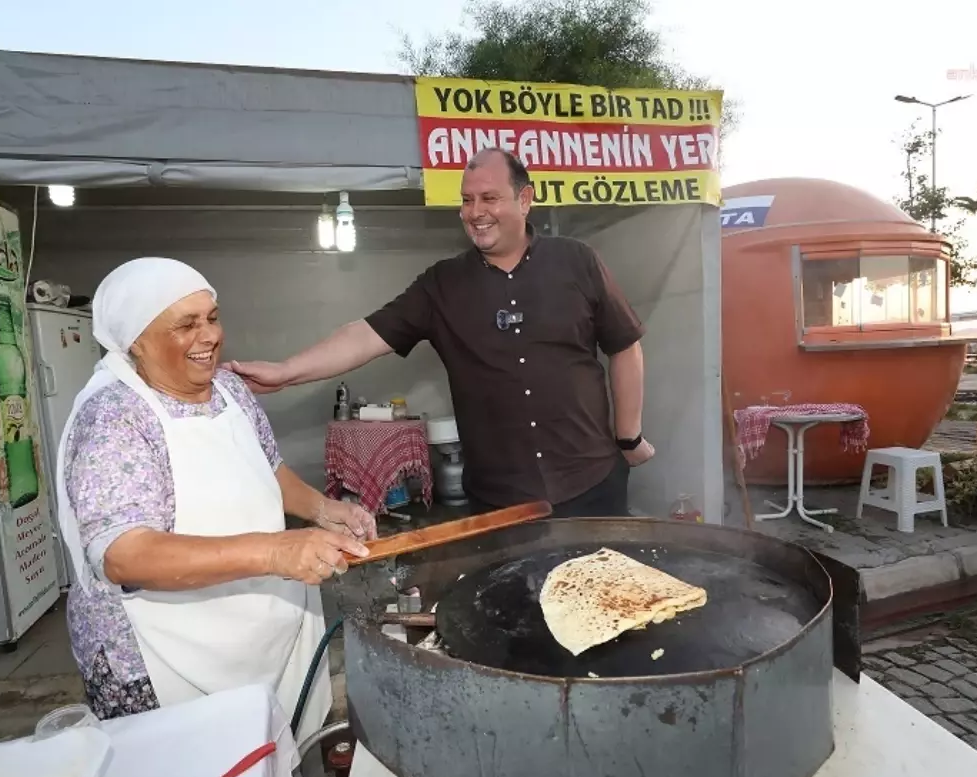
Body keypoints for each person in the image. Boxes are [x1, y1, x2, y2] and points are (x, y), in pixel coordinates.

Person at [230, 148, 654, 517]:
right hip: (501, 503)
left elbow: (625, 346)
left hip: (592, 486)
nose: (475, 212)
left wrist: (628, 436)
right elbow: (364, 334)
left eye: (490, 197)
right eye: (467, 200)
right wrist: (287, 371)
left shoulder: (577, 261)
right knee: (510, 609)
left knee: (607, 608)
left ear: (525, 200)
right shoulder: (442, 285)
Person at [56, 257, 376, 737]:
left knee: (273, 764)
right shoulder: (115, 419)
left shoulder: (228, 390)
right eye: (186, 325)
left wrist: (325, 510)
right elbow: (125, 555)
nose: (209, 336)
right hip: (162, 651)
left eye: (211, 317)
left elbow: (268, 470)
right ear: (135, 341)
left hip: (257, 629)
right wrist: (275, 549)